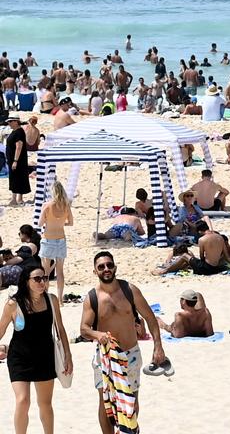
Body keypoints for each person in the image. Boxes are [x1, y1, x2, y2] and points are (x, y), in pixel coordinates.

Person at [80, 251, 166, 434]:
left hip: (131, 354)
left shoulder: (130, 290)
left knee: (131, 402)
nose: (106, 269)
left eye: (109, 265)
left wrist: (158, 346)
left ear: (115, 267)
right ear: (95, 271)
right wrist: (98, 334)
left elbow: (151, 319)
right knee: (105, 402)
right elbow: (84, 329)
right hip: (105, 356)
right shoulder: (92, 298)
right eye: (101, 267)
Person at [0, 265, 72, 434]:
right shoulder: (13, 305)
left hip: (45, 357)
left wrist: (68, 355)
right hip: (19, 358)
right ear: (26, 282)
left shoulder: (52, 301)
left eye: (44, 278)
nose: (42, 282)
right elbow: (1, 329)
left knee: (45, 404)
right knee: (23, 400)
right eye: (37, 279)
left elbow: (60, 330)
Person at [38, 181, 73, 303]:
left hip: (48, 239)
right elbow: (71, 223)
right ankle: (60, 300)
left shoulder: (46, 206)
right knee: (60, 271)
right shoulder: (66, 206)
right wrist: (61, 223)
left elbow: (40, 223)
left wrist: (50, 222)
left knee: (45, 271)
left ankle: (46, 297)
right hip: (61, 239)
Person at [6, 115, 31, 206]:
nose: (9, 123)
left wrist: (15, 160)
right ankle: (16, 198)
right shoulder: (15, 131)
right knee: (16, 178)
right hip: (14, 159)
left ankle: (16, 199)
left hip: (17, 160)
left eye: (10, 121)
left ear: (16, 121)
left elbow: (19, 146)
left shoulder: (19, 132)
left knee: (17, 178)